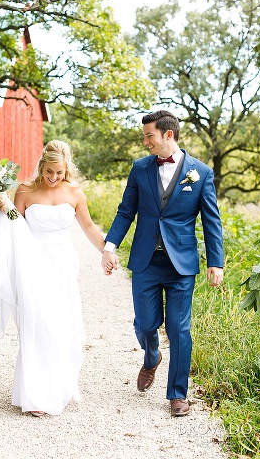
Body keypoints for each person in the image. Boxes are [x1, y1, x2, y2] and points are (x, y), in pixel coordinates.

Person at [101, 110, 224, 417]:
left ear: (168, 135)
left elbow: (211, 221)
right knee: (144, 324)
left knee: (179, 328)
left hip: (181, 264)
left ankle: (177, 394)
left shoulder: (201, 173)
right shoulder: (140, 168)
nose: (145, 142)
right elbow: (125, 211)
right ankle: (151, 355)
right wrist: (109, 246)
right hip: (146, 261)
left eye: (149, 136)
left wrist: (216, 262)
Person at [0, 140, 109, 416]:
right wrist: (4, 206)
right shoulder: (26, 190)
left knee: (60, 323)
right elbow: (14, 223)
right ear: (41, 167)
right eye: (49, 172)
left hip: (62, 264)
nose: (53, 178)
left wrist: (106, 250)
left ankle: (58, 387)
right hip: (31, 261)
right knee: (36, 322)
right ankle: (36, 394)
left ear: (66, 168)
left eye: (59, 172)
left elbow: (89, 226)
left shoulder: (75, 193)